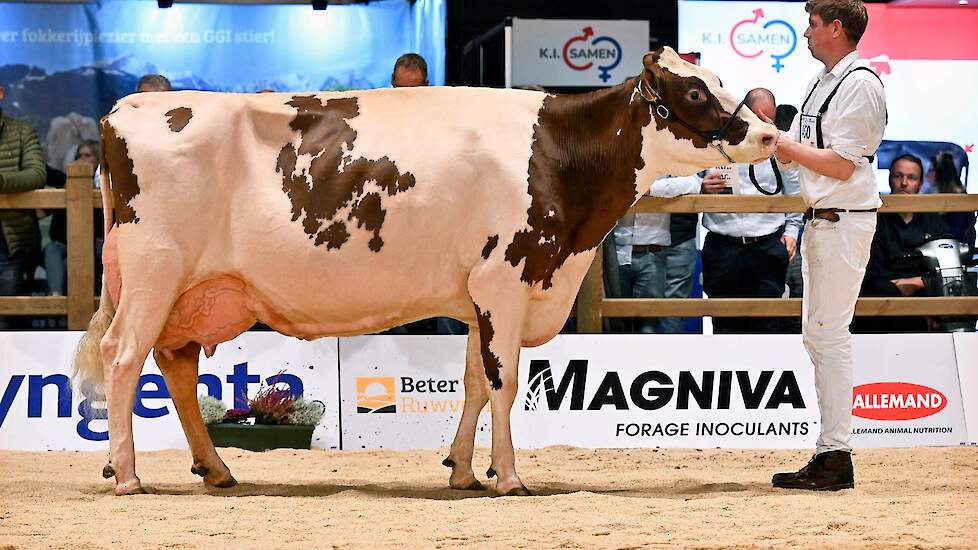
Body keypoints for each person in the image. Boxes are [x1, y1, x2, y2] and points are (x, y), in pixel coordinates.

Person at [772, 0, 887, 491]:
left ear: (836, 28)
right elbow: (806, 158)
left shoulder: (859, 84)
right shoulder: (822, 82)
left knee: (829, 335)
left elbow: (841, 165)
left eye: (813, 25)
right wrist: (773, 148)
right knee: (819, 336)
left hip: (843, 222)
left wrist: (775, 140)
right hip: (820, 221)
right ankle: (829, 451)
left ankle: (837, 454)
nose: (805, 32)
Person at [700, 89, 802, 333]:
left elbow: (795, 191)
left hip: (767, 246)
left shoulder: (783, 143)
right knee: (723, 324)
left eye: (770, 118)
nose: (765, 124)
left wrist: (792, 231)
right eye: (759, 117)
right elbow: (690, 180)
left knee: (767, 324)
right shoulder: (714, 142)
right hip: (722, 246)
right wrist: (701, 186)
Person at [854, 154, 950, 333]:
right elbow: (871, 273)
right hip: (885, 292)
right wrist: (903, 287)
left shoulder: (933, 221)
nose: (904, 183)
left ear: (920, 184)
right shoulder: (873, 219)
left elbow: (947, 265)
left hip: (924, 292)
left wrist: (918, 284)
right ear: (890, 180)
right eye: (898, 176)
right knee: (877, 291)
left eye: (911, 178)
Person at [613, 174, 702, 333]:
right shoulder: (618, 154)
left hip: (653, 252)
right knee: (615, 324)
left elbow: (692, 183)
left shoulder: (665, 156)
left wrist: (651, 189)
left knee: (649, 326)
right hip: (615, 252)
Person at [0, 83, 47, 329]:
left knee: (12, 319)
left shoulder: (21, 130)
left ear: (1, 93)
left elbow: (38, 174)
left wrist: (1, 182)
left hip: (12, 240)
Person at [44, 140, 104, 298]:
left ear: (98, 159)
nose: (81, 158)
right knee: (51, 248)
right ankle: (54, 297)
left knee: (100, 250)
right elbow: (45, 173)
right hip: (64, 244)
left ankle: (101, 299)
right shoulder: (65, 181)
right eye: (79, 155)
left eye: (87, 155)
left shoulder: (105, 185)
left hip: (93, 246)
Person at [930, 151, 975, 248]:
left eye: (930, 170)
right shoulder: (937, 197)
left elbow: (956, 236)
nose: (926, 175)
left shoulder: (961, 202)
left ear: (940, 174)